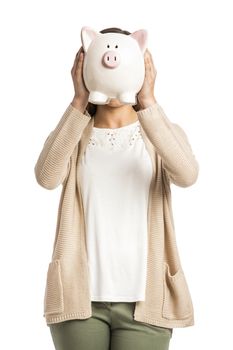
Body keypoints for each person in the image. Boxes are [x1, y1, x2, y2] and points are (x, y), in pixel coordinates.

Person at [35, 27, 199, 350]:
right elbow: (46, 176)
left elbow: (187, 173)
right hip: (79, 302)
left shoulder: (159, 132)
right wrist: (79, 101)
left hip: (146, 305)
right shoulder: (73, 133)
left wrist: (148, 102)